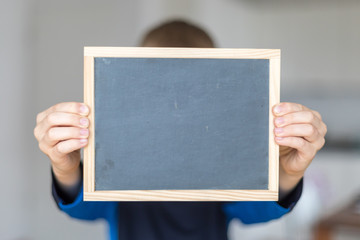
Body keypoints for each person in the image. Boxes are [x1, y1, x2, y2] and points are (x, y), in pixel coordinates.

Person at [34, 20, 327, 240]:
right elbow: (83, 208)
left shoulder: (224, 158)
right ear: (137, 87)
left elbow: (255, 211)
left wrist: (288, 173)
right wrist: (65, 168)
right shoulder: (119, 155)